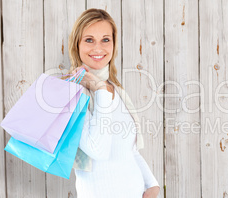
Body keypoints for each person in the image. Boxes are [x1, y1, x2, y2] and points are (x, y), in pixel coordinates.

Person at [65, 8, 160, 197]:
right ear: (77, 45)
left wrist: (152, 184)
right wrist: (99, 90)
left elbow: (129, 151)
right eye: (89, 40)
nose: (98, 48)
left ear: (114, 45)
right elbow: (96, 150)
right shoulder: (71, 93)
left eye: (105, 40)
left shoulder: (116, 90)